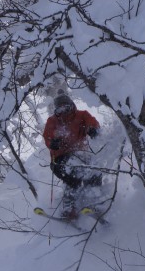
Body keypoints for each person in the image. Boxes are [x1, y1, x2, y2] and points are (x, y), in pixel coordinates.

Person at [43, 90, 101, 219]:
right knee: (73, 174)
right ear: (57, 110)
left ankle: (94, 201)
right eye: (60, 108)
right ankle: (70, 208)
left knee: (95, 170)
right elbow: (48, 136)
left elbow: (92, 122)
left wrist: (93, 129)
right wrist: (53, 142)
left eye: (66, 106)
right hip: (60, 158)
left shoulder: (81, 115)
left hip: (81, 154)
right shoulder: (53, 121)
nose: (64, 111)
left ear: (71, 105)